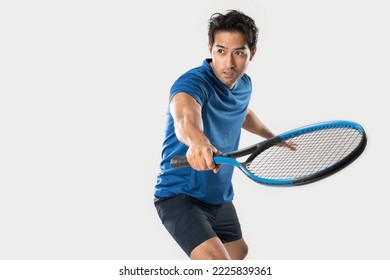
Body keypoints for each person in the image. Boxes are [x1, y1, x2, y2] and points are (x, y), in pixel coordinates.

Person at [154, 9, 294, 260]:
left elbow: (242, 112)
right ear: (210, 49)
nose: (229, 63)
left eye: (239, 52)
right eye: (221, 51)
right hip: (180, 195)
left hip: (219, 197)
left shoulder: (244, 84)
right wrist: (198, 143)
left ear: (252, 53)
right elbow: (185, 116)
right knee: (218, 264)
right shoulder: (192, 84)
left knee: (238, 253)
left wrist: (272, 137)